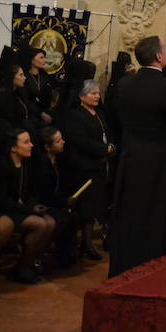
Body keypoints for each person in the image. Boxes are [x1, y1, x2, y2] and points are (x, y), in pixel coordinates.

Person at [109, 36, 166, 277]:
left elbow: (116, 119)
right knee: (155, 214)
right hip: (159, 159)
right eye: (165, 49)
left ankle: (125, 263)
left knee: (131, 210)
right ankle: (153, 265)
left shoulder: (124, 84)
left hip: (130, 156)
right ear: (159, 57)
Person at [64, 80, 115, 261]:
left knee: (95, 206)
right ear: (81, 96)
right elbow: (80, 141)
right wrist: (103, 150)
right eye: (92, 93)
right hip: (84, 167)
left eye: (98, 93)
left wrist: (110, 148)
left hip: (101, 166)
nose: (97, 96)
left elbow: (108, 136)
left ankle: (88, 243)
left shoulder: (99, 113)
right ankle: (84, 245)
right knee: (85, 207)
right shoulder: (75, 115)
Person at [0, 128, 55, 283]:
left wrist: (35, 206)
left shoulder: (26, 164)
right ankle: (22, 269)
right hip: (6, 211)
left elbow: (31, 193)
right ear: (13, 147)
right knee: (39, 224)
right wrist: (30, 209)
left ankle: (27, 264)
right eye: (26, 142)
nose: (31, 145)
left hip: (21, 208)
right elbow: (2, 200)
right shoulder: (2, 166)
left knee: (50, 222)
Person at [32, 126, 77, 267]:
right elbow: (45, 193)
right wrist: (64, 201)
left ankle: (66, 255)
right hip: (44, 204)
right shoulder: (42, 164)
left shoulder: (59, 159)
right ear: (47, 147)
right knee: (65, 220)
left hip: (55, 202)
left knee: (76, 216)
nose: (63, 142)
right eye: (58, 141)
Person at [23, 48, 54, 131]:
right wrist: (41, 114)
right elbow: (25, 99)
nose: (45, 60)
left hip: (48, 114)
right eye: (41, 58)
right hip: (32, 116)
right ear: (32, 60)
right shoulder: (24, 77)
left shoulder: (45, 76)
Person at [0, 65, 29, 131]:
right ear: (12, 77)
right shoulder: (4, 96)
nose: (25, 78)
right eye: (21, 75)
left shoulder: (17, 92)